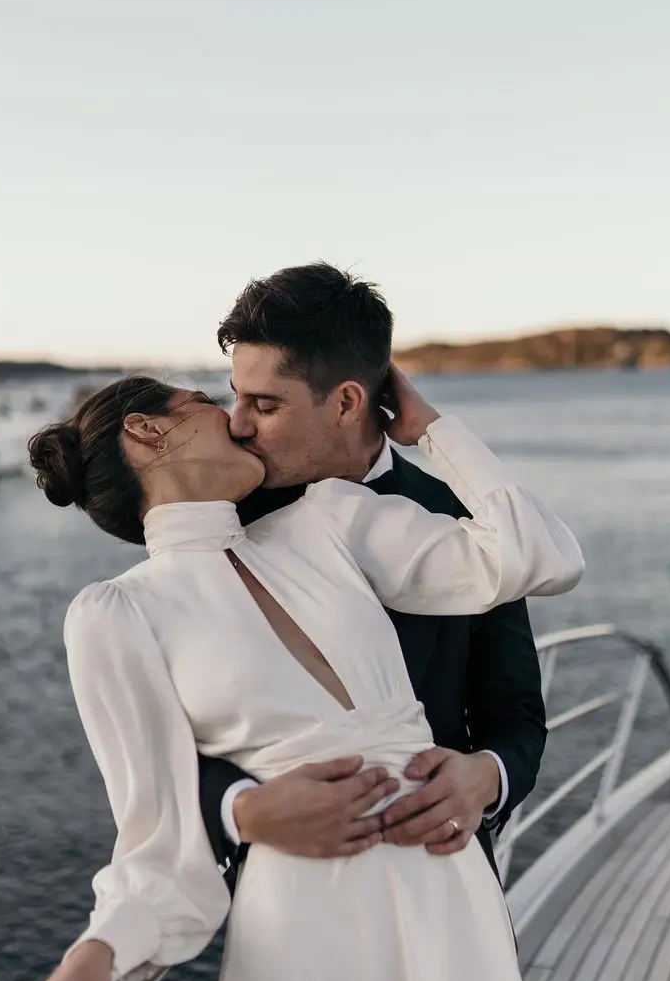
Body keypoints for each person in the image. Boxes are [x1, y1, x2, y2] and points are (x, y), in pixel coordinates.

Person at [0, 357, 606, 981]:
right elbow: (161, 850)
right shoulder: (116, 616)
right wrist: (94, 959)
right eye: (211, 404)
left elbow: (537, 558)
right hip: (304, 950)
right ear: (148, 433)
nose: (242, 422)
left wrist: (431, 430)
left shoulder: (329, 519)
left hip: (449, 914)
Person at [200, 265, 546, 889]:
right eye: (235, 395)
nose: (238, 424)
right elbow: (168, 729)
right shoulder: (221, 521)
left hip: (445, 878)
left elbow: (516, 714)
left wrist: (485, 776)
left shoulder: (462, 519)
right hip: (290, 896)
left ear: (347, 401)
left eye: (264, 404)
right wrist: (243, 810)